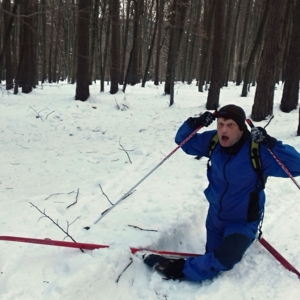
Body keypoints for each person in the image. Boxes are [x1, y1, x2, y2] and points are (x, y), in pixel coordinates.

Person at [143, 104, 300, 281]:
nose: (223, 129)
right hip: (215, 220)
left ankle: (178, 269)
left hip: (242, 223)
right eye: (220, 124)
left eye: (230, 125)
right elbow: (183, 141)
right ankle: (196, 262)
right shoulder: (214, 142)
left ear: (241, 129)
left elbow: (297, 165)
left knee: (225, 258)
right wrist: (195, 122)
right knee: (212, 256)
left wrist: (271, 143)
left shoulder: (257, 151)